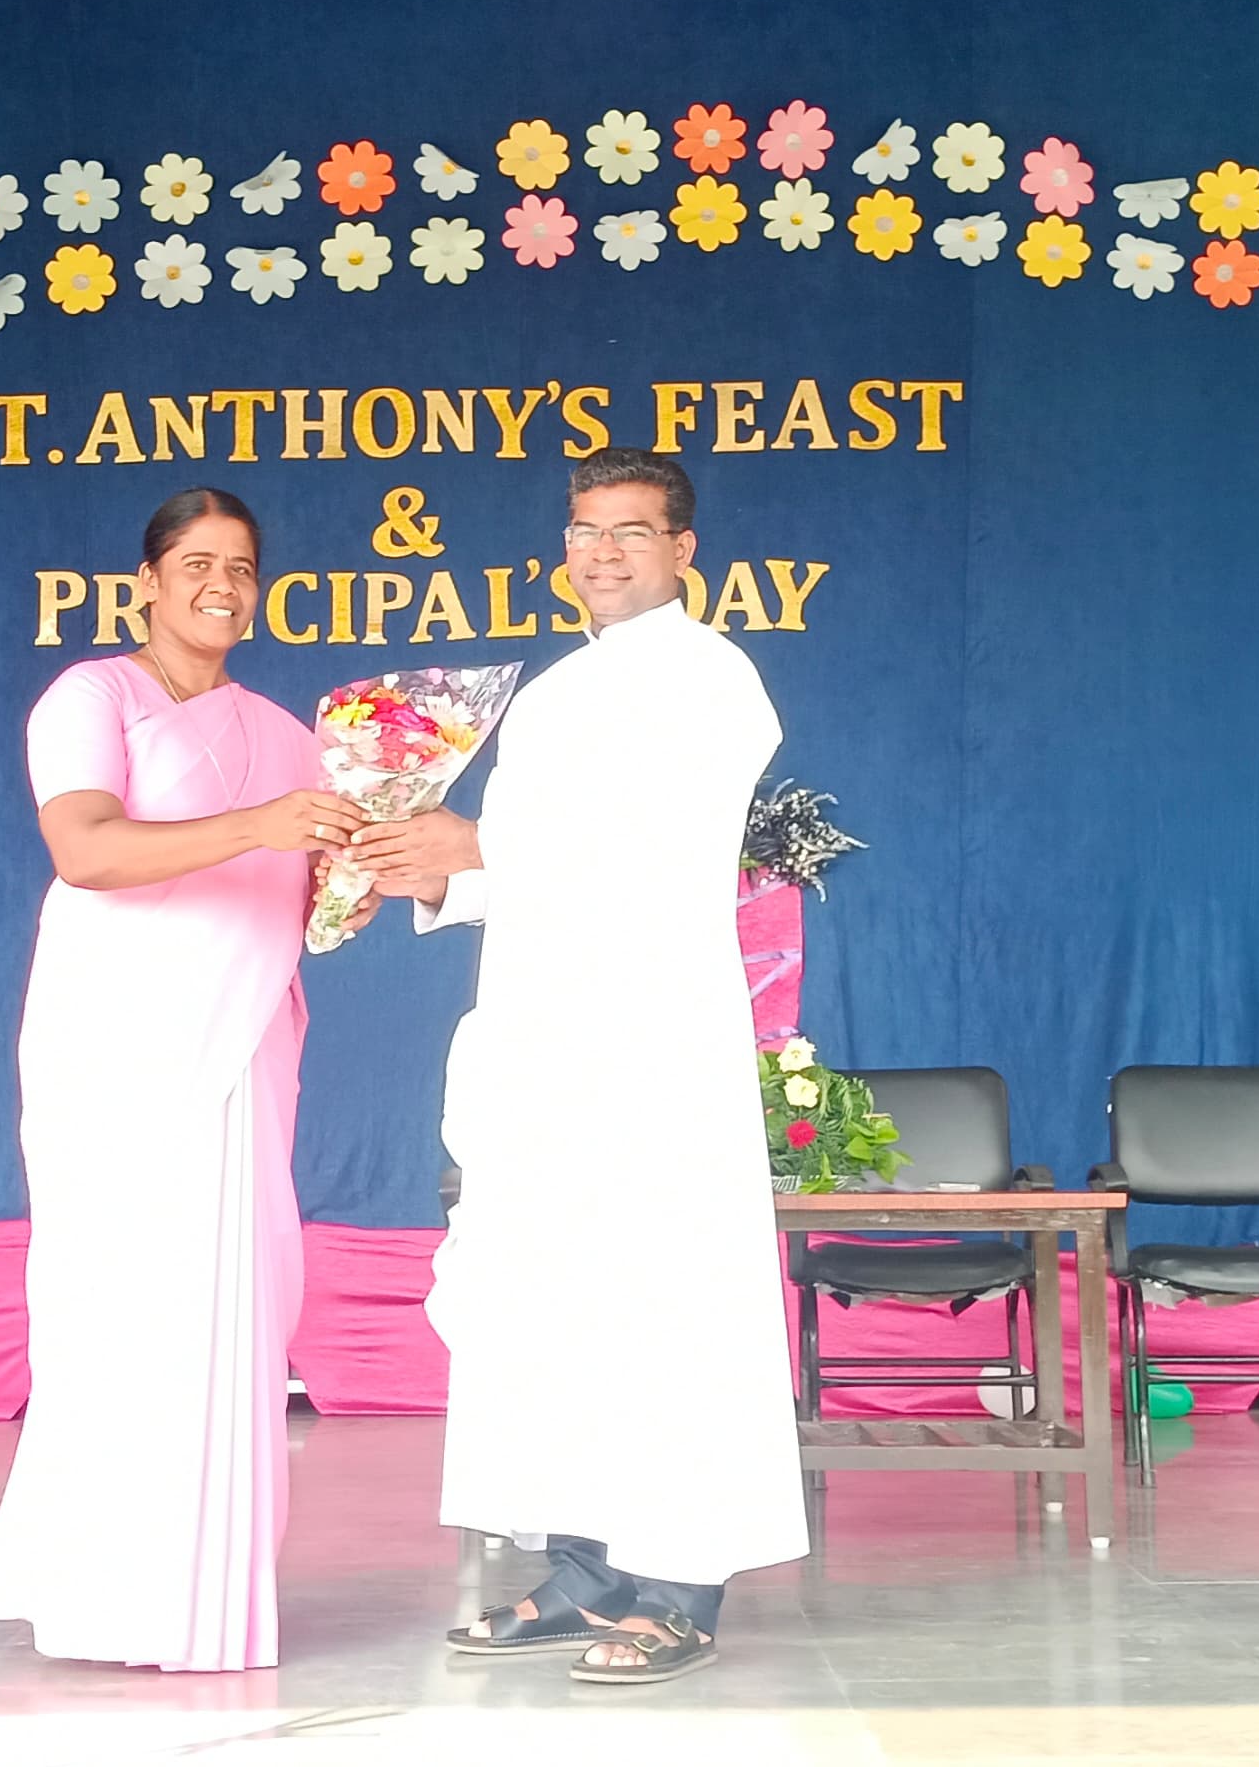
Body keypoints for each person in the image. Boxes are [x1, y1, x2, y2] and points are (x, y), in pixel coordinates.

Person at [351, 450, 805, 1686]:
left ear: (682, 550)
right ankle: (583, 1568)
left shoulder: (714, 679)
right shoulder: (549, 695)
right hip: (544, 1038)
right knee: (554, 1301)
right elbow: (517, 867)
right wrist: (427, 868)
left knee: (661, 1297)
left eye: (631, 531)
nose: (601, 553)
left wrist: (477, 842)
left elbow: (661, 849)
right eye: (584, 531)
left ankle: (681, 1583)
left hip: (650, 1042)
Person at [0, 488, 370, 1672]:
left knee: (230, 1313)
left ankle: (206, 1596)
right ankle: (100, 1594)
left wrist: (361, 878)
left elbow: (306, 899)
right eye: (195, 562)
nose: (220, 585)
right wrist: (260, 825)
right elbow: (84, 849)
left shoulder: (292, 735)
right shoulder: (92, 696)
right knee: (117, 1305)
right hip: (116, 1045)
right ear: (146, 581)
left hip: (241, 1044)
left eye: (240, 566)